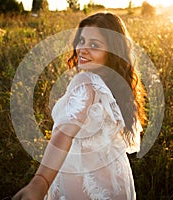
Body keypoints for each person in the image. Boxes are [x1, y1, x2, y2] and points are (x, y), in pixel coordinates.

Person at [13, 12, 147, 200]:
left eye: (94, 45)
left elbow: (64, 133)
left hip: (83, 184)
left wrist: (40, 182)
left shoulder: (85, 81)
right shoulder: (117, 84)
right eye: (81, 41)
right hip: (115, 182)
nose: (82, 49)